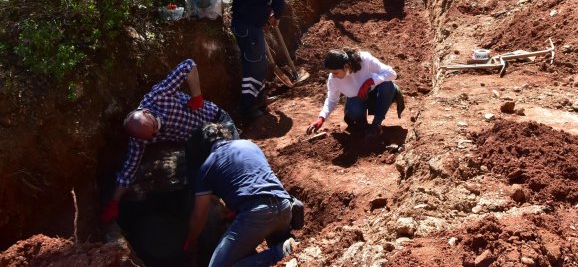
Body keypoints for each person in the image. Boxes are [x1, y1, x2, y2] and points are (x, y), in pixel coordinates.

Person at [101, 59, 239, 223]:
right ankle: (227, 212)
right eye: (152, 135)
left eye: (154, 127)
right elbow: (129, 170)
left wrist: (197, 97)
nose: (157, 132)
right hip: (197, 141)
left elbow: (189, 65)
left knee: (233, 161)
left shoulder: (158, 96)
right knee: (198, 180)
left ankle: (244, 204)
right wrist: (114, 202)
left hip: (217, 121)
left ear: (146, 112)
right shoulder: (140, 140)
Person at [184, 123, 296, 267]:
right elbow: (252, 181)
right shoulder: (250, 145)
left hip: (257, 214)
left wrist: (191, 240)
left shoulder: (207, 165)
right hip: (285, 206)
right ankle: (284, 245)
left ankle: (279, 253)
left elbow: (199, 216)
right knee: (271, 233)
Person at [210, 0, 286, 120]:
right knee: (256, 65)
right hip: (252, 27)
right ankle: (247, 107)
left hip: (240, 25)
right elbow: (279, 2)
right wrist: (276, 16)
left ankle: (258, 98)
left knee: (254, 61)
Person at [306, 48, 405, 138]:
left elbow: (392, 73)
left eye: (335, 72)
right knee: (354, 114)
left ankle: (376, 125)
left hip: (378, 94)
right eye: (331, 73)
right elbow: (332, 100)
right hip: (358, 99)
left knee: (387, 85)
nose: (333, 76)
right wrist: (321, 118)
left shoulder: (364, 59)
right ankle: (362, 124)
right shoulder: (333, 79)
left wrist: (369, 82)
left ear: (346, 66)